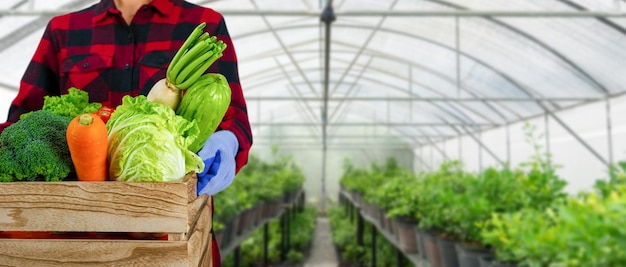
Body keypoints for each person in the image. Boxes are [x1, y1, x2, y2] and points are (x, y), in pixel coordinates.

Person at [0, 0, 252, 265]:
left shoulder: (203, 24)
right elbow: (23, 117)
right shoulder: (63, 30)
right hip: (79, 238)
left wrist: (229, 142)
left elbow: (233, 115)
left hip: (173, 234)